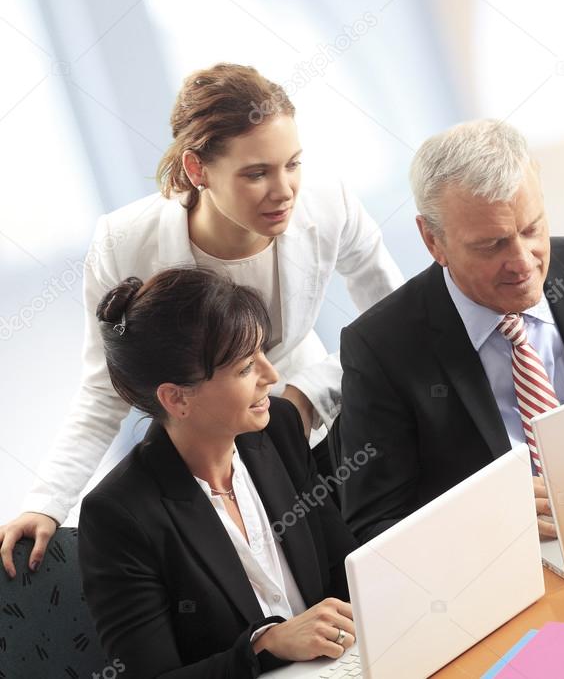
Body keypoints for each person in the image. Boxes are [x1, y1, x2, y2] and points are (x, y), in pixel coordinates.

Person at [1, 63, 403, 576]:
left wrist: (308, 393)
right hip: (205, 461)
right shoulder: (125, 242)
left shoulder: (328, 203)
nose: (284, 191)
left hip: (314, 434)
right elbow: (106, 389)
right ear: (197, 170)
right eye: (256, 173)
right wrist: (46, 500)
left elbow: (389, 325)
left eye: (293, 164)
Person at [332, 119, 564, 543]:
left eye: (531, 229)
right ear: (433, 241)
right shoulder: (380, 348)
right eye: (492, 245)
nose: (524, 262)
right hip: (512, 568)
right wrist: (492, 514)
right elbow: (373, 528)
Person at [79, 268, 359, 677]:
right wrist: (265, 645)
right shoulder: (119, 515)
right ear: (176, 398)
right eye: (246, 368)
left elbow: (344, 567)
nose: (271, 375)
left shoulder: (277, 429)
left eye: (263, 353)